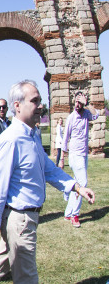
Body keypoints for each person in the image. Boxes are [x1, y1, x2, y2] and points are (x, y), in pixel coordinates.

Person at [0, 80, 95, 284]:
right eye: (35, 101)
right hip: (19, 223)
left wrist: (77, 187)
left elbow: (48, 168)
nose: (41, 106)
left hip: (24, 220)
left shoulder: (32, 136)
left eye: (40, 100)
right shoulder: (10, 140)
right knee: (27, 279)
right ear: (17, 105)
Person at [59, 92, 105, 228]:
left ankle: (68, 212)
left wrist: (88, 104)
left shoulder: (86, 113)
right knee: (83, 183)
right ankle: (75, 215)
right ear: (74, 102)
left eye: (80, 102)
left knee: (77, 185)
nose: (78, 104)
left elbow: (96, 115)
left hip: (84, 154)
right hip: (75, 155)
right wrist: (62, 159)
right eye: (77, 101)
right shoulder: (71, 118)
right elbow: (65, 139)